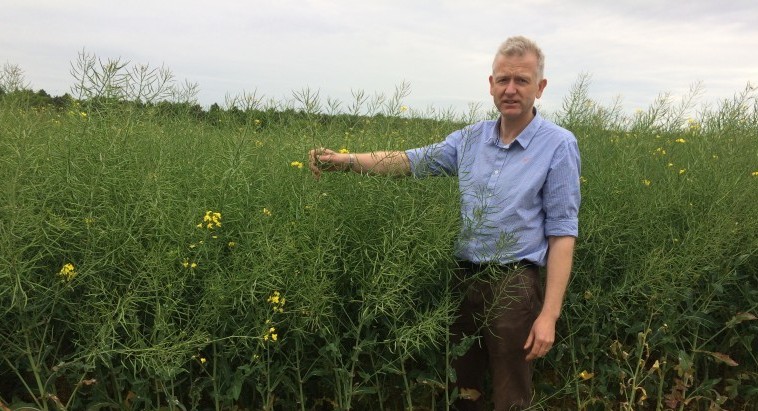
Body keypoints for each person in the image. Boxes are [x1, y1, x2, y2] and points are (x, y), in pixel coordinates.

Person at [308, 36, 580, 410]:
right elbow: (408, 162)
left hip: (515, 284)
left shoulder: (558, 144)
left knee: (511, 392)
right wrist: (344, 160)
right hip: (464, 278)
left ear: (540, 87)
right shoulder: (470, 139)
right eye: (503, 80)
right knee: (463, 385)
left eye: (522, 80)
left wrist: (549, 315)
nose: (511, 89)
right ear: (490, 84)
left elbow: (563, 233)